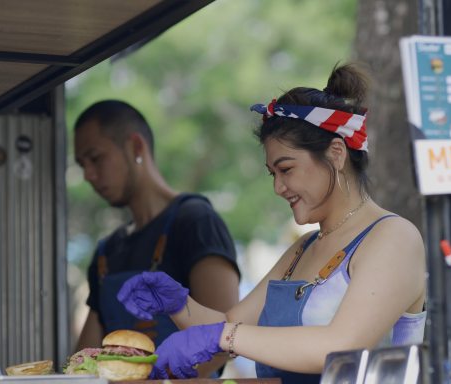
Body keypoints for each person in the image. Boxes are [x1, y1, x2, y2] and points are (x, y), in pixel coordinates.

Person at [117, 64, 427, 383]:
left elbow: (341, 347)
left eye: (286, 169)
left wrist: (223, 336)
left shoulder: (394, 237)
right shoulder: (301, 250)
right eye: (273, 174)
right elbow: (227, 325)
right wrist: (179, 304)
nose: (278, 187)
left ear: (336, 153)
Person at [73, 100, 241, 376]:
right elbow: (84, 362)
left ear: (136, 147)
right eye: (82, 165)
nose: (88, 175)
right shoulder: (106, 251)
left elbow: (227, 337)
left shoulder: (195, 221)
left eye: (96, 158)